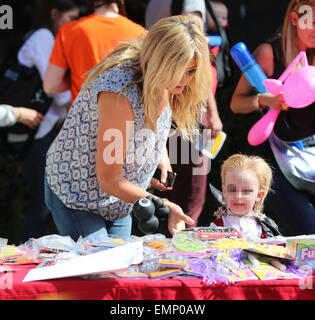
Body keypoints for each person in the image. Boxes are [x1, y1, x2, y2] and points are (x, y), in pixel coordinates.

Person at [44, 15, 213, 241]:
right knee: (101, 270)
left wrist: (158, 158)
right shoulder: (119, 92)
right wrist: (164, 204)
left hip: (120, 200)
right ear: (159, 60)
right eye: (178, 69)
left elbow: (152, 126)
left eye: (190, 71)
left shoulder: (166, 81)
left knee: (120, 270)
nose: (183, 79)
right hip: (76, 196)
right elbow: (109, 179)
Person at [230, 0, 315, 235]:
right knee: (307, 229)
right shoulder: (268, 54)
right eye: (314, 23)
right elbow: (236, 103)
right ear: (295, 20)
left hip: (310, 155)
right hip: (277, 159)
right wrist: (263, 100)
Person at [145, 0, 223, 233]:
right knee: (171, 183)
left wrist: (214, 114)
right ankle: (170, 234)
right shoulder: (170, 55)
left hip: (194, 123)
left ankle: (186, 234)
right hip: (173, 125)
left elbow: (203, 84)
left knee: (194, 187)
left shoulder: (199, 53)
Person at [11, 0, 79, 242]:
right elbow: (56, 91)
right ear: (55, 14)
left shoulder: (49, 38)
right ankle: (27, 254)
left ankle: (32, 251)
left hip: (43, 130)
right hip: (33, 131)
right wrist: (84, 111)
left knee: (47, 199)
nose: (73, 24)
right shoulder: (43, 37)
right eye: (70, 18)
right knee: (42, 201)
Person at [44, 0, 147, 102]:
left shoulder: (70, 31)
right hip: (125, 114)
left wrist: (75, 79)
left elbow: (50, 85)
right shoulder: (141, 33)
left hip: (83, 114)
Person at [210, 154, 281, 239]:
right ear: (225, 192)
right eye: (232, 190)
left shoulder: (265, 229)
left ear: (259, 195)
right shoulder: (217, 226)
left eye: (246, 191)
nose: (238, 196)